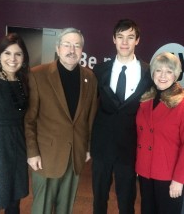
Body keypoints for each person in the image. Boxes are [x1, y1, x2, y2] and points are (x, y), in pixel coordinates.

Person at [24, 27, 98, 214]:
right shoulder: (37, 74)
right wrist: (32, 152)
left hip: (75, 155)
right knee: (42, 209)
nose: (72, 50)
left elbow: (90, 117)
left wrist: (88, 147)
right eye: (67, 45)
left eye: (77, 45)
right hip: (46, 156)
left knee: (65, 208)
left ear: (82, 50)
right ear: (58, 48)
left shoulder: (90, 77)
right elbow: (29, 119)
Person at [90, 19, 152, 214]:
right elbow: (89, 107)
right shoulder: (99, 71)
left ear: (137, 40)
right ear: (114, 40)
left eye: (130, 37)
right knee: (99, 199)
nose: (125, 42)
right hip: (101, 146)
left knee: (127, 200)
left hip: (130, 147)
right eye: (120, 37)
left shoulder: (148, 73)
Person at [136, 52, 184, 214]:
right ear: (153, 73)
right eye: (159, 70)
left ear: (176, 75)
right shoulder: (145, 99)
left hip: (169, 176)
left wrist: (179, 179)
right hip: (145, 172)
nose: (163, 75)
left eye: (169, 71)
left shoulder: (182, 103)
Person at [0, 33, 30, 214]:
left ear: (24, 58)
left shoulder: (24, 82)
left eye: (18, 54)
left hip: (18, 148)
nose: (12, 59)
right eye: (7, 53)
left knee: (14, 202)